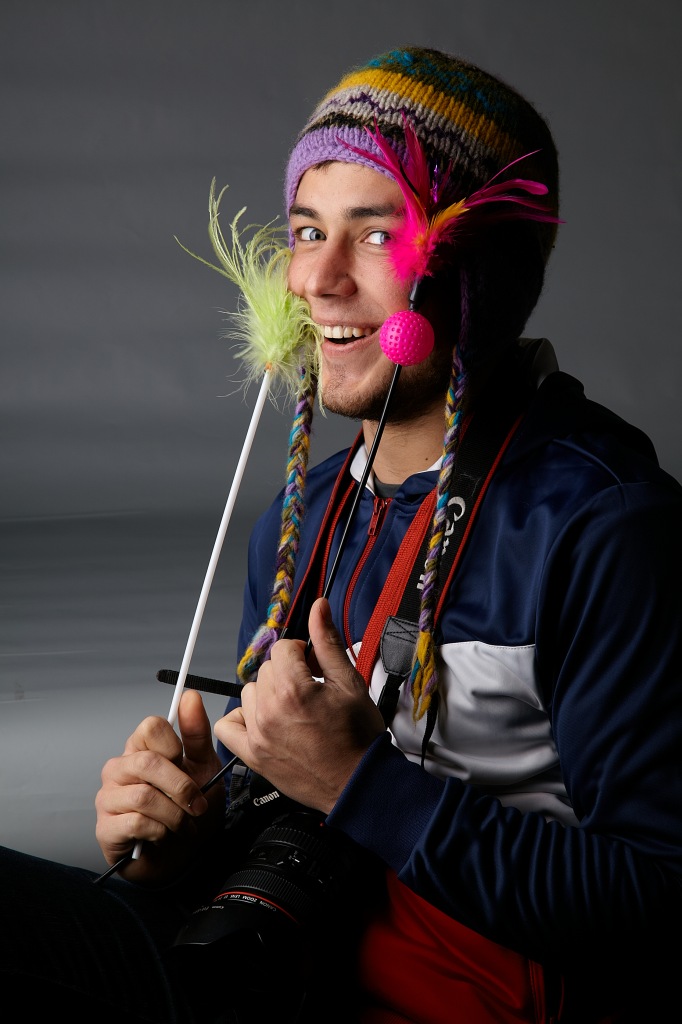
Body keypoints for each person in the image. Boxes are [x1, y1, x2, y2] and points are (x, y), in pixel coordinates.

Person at [2, 45, 681, 1024]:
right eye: (308, 230)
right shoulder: (299, 518)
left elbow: (658, 903)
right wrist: (184, 837)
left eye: (375, 236)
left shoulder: (602, 527)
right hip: (270, 963)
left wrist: (365, 785)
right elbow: (277, 812)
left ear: (476, 273)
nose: (316, 280)